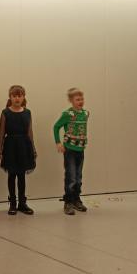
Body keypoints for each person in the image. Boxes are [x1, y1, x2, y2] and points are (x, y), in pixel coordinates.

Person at [0, 85, 36, 215]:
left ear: (23, 97)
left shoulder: (27, 112)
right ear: (10, 97)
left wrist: (33, 148)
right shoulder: (5, 113)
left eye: (19, 96)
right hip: (10, 146)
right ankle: (13, 203)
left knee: (21, 175)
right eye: (14, 96)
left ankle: (22, 203)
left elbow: (30, 132)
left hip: (24, 146)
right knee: (12, 174)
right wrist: (0, 149)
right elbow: (2, 132)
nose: (17, 98)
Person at [53, 87, 90, 215]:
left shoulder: (85, 114)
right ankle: (68, 201)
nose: (80, 101)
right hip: (69, 150)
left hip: (80, 150)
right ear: (71, 101)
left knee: (78, 177)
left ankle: (76, 199)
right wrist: (58, 142)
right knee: (71, 176)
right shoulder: (67, 114)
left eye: (82, 99)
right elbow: (56, 127)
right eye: (77, 99)